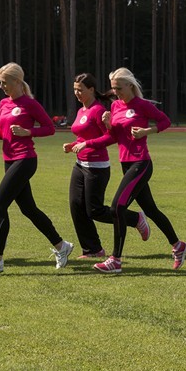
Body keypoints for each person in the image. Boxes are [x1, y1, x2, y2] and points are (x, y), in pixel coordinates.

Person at [0, 62, 74, 272]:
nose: (1, 87)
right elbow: (5, 133)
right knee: (28, 208)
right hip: (9, 160)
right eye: (0, 83)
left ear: (17, 81)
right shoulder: (3, 104)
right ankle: (61, 246)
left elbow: (49, 128)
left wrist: (29, 132)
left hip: (25, 159)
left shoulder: (30, 104)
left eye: (4, 82)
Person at [90, 67, 186, 274]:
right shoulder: (115, 106)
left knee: (117, 207)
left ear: (130, 86)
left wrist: (147, 130)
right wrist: (106, 127)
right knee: (151, 210)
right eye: (113, 88)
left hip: (141, 163)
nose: (116, 92)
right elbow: (114, 136)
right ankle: (178, 245)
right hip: (126, 164)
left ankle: (115, 260)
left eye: (119, 88)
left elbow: (165, 121)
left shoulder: (142, 105)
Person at [63, 73, 150, 259]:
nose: (77, 93)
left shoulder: (98, 110)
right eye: (75, 90)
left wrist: (86, 144)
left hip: (97, 166)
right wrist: (73, 145)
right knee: (75, 205)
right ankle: (92, 249)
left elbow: (110, 137)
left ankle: (135, 218)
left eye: (81, 90)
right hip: (80, 164)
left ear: (91, 90)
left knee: (94, 210)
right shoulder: (81, 111)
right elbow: (82, 136)